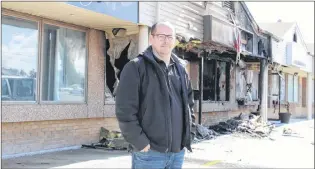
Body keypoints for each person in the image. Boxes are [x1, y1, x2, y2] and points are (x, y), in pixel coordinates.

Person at [115, 21, 195, 169]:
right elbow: (124, 110)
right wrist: (140, 142)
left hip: (177, 153)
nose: (166, 40)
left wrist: (189, 132)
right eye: (161, 36)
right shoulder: (135, 67)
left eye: (170, 37)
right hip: (150, 154)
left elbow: (189, 105)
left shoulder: (181, 70)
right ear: (151, 39)